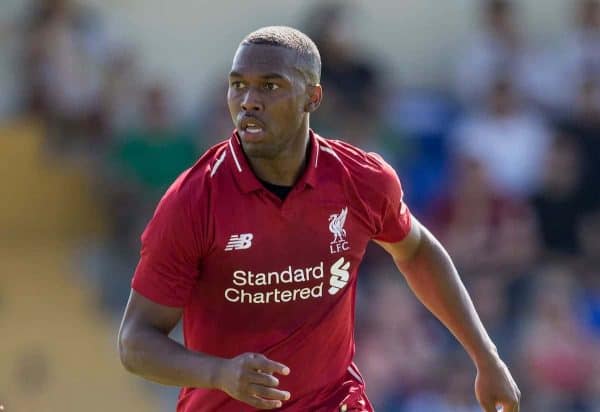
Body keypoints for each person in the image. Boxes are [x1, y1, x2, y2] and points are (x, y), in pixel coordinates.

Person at [117, 26, 520, 412]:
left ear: (313, 96)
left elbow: (416, 250)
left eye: (270, 86)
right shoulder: (193, 201)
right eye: (238, 84)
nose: (248, 100)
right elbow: (135, 341)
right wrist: (220, 373)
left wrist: (486, 358)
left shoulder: (361, 180)